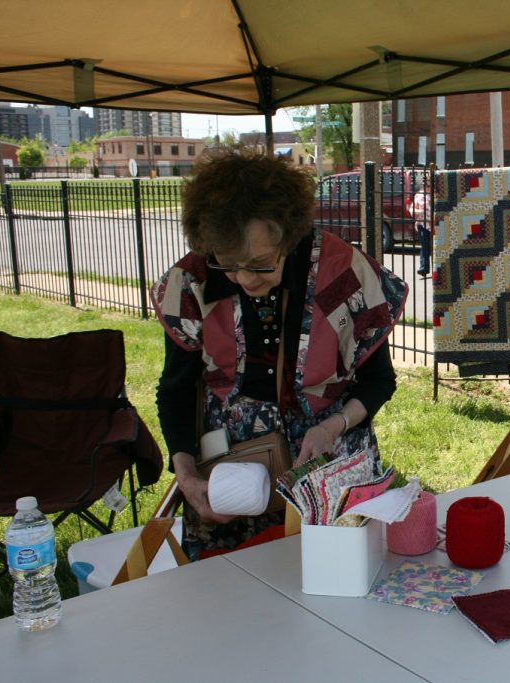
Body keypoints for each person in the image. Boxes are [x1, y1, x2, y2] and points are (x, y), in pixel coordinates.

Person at [151, 147, 407, 560]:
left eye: (259, 264)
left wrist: (332, 427)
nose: (243, 279)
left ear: (287, 235)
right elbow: (176, 390)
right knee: (239, 590)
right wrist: (185, 476)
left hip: (329, 461)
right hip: (233, 475)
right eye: (228, 266)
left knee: (336, 577)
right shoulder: (192, 282)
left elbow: (380, 380)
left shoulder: (343, 274)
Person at [411, 173, 432, 277]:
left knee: (434, 247)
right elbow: (412, 209)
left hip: (434, 224)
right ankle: (423, 268)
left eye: (430, 186)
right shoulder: (418, 195)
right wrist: (419, 212)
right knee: (424, 246)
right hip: (422, 224)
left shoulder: (436, 195)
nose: (428, 188)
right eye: (426, 186)